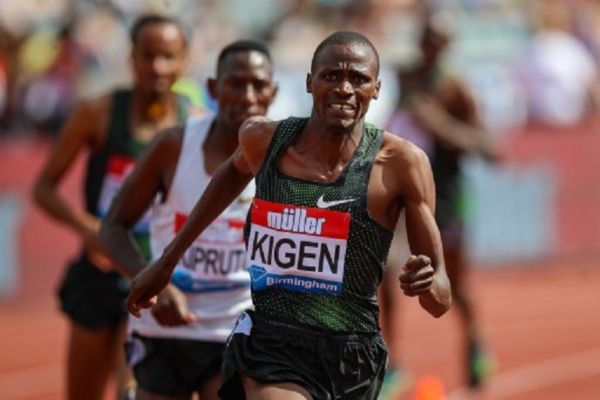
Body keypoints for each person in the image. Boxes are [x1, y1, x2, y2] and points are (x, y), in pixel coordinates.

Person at [126, 31, 452, 400]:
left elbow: (440, 300)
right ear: (310, 82)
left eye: (358, 79)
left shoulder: (402, 164)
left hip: (352, 355)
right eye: (331, 76)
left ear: (376, 89)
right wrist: (167, 262)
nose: (344, 88)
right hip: (272, 344)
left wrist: (426, 282)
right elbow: (229, 176)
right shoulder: (264, 141)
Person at [99, 40, 278, 400]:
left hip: (236, 330)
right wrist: (154, 285)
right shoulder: (174, 146)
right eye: (235, 83)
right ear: (213, 88)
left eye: (258, 85)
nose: (247, 96)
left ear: (272, 92)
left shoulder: (285, 157)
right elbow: (112, 226)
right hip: (165, 331)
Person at [32, 14, 189, 400]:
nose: (158, 67)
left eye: (168, 57)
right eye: (148, 56)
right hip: (99, 273)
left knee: (131, 390)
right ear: (131, 58)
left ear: (184, 60)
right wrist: (88, 228)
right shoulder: (97, 113)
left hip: (154, 277)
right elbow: (43, 189)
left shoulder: (194, 121)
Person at [383, 16, 498, 390]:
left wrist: (440, 124)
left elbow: (490, 149)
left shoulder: (456, 88)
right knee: (387, 271)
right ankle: (392, 363)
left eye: (438, 41)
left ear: (448, 45)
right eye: (426, 39)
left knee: (454, 281)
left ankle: (476, 341)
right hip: (404, 191)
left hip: (447, 195)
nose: (430, 47)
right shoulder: (407, 78)